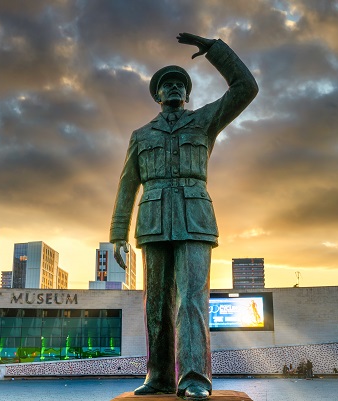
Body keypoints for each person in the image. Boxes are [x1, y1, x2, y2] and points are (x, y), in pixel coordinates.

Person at [110, 32, 258, 399]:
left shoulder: (204, 121)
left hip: (195, 219)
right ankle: (159, 376)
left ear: (187, 94)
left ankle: (193, 379)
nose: (174, 87)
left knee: (191, 299)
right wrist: (117, 234)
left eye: (180, 83)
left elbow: (246, 87)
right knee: (157, 305)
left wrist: (214, 49)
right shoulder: (141, 135)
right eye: (167, 84)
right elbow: (127, 185)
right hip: (153, 221)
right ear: (157, 95)